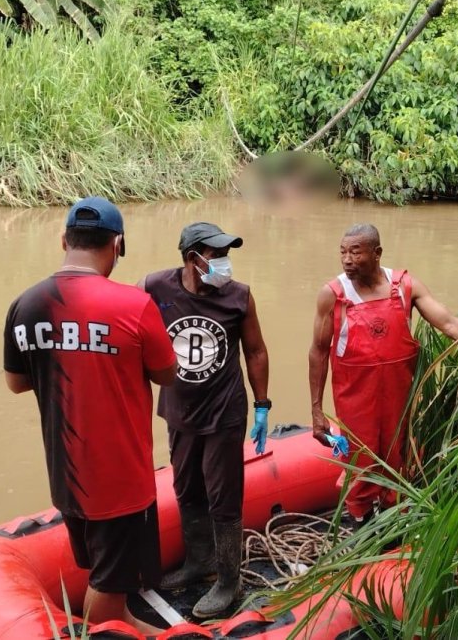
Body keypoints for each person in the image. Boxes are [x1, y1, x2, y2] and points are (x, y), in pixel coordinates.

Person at [3, 197, 176, 633]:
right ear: (117, 245)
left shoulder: (25, 305)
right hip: (120, 478)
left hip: (65, 472)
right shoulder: (133, 305)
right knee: (110, 578)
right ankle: (104, 631)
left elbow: (17, 382)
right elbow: (167, 373)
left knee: (103, 565)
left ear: (63, 239)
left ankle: (129, 622)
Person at [308, 223, 458, 525]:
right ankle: (361, 522)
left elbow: (448, 324)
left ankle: (397, 523)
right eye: (343, 252)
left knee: (401, 458)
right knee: (361, 462)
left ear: (377, 253)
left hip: (400, 397)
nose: (346, 260)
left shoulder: (405, 287)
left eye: (355, 252)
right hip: (355, 400)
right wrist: (317, 410)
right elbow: (318, 351)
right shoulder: (333, 295)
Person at [141, 222, 270, 618]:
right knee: (186, 487)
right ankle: (199, 561)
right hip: (179, 411)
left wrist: (262, 404)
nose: (225, 263)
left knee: (224, 495)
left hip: (224, 412)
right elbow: (132, 329)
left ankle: (230, 580)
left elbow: (256, 351)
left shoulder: (239, 296)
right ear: (191, 257)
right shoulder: (155, 287)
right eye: (217, 255)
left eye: (227, 254)